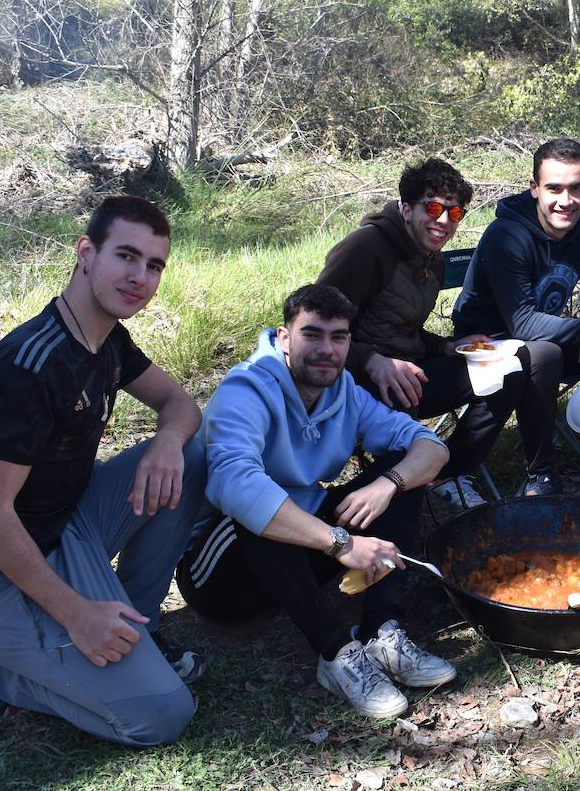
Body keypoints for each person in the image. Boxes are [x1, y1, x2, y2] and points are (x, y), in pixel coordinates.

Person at [0, 195, 209, 747]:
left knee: (194, 453)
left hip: (67, 527)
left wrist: (167, 443)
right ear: (86, 252)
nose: (140, 277)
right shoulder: (29, 367)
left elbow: (181, 406)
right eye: (126, 256)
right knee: (159, 715)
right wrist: (76, 614)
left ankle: (136, 625)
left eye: (155, 265)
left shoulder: (106, 338)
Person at [176, 284, 455, 719]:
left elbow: (430, 446)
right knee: (260, 502)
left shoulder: (346, 392)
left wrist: (386, 485)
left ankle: (383, 628)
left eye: (338, 337)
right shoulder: (246, 390)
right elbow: (235, 483)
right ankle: (336, 653)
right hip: (219, 573)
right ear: (285, 338)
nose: (327, 349)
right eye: (312, 334)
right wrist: (342, 544)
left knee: (403, 472)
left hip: (303, 548)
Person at [317, 157, 553, 510]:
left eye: (454, 213)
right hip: (359, 384)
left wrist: (445, 346)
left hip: (410, 371)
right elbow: (315, 327)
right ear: (407, 207)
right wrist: (371, 360)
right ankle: (399, 482)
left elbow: (401, 325)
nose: (443, 221)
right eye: (433, 208)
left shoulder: (432, 257)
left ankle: (449, 473)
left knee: (511, 369)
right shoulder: (365, 248)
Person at [451, 138, 580, 499]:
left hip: (541, 334)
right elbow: (523, 324)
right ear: (534, 189)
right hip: (482, 341)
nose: (566, 200)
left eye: (576, 188)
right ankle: (539, 475)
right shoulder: (506, 236)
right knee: (545, 355)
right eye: (554, 188)